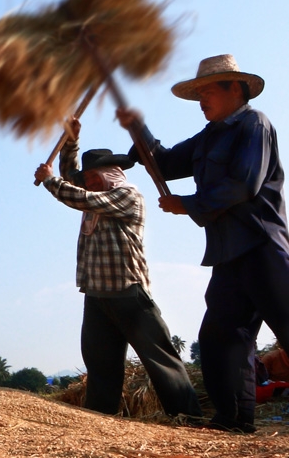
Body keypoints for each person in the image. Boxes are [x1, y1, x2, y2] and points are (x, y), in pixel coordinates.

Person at [119, 54, 289, 432]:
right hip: (229, 253)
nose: (201, 100)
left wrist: (188, 205)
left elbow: (243, 185)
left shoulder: (253, 124)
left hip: (261, 246)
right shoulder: (209, 136)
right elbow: (164, 163)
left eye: (208, 91)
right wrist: (139, 131)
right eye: (197, 93)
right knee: (221, 337)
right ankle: (234, 420)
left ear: (236, 89)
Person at [34, 119, 202, 418]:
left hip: (128, 292)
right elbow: (71, 180)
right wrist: (71, 141)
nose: (90, 183)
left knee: (159, 357)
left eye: (95, 177)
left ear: (111, 174)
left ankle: (187, 416)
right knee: (101, 364)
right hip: (97, 293)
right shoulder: (94, 197)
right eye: (88, 178)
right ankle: (100, 418)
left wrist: (50, 181)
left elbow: (77, 194)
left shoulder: (127, 196)